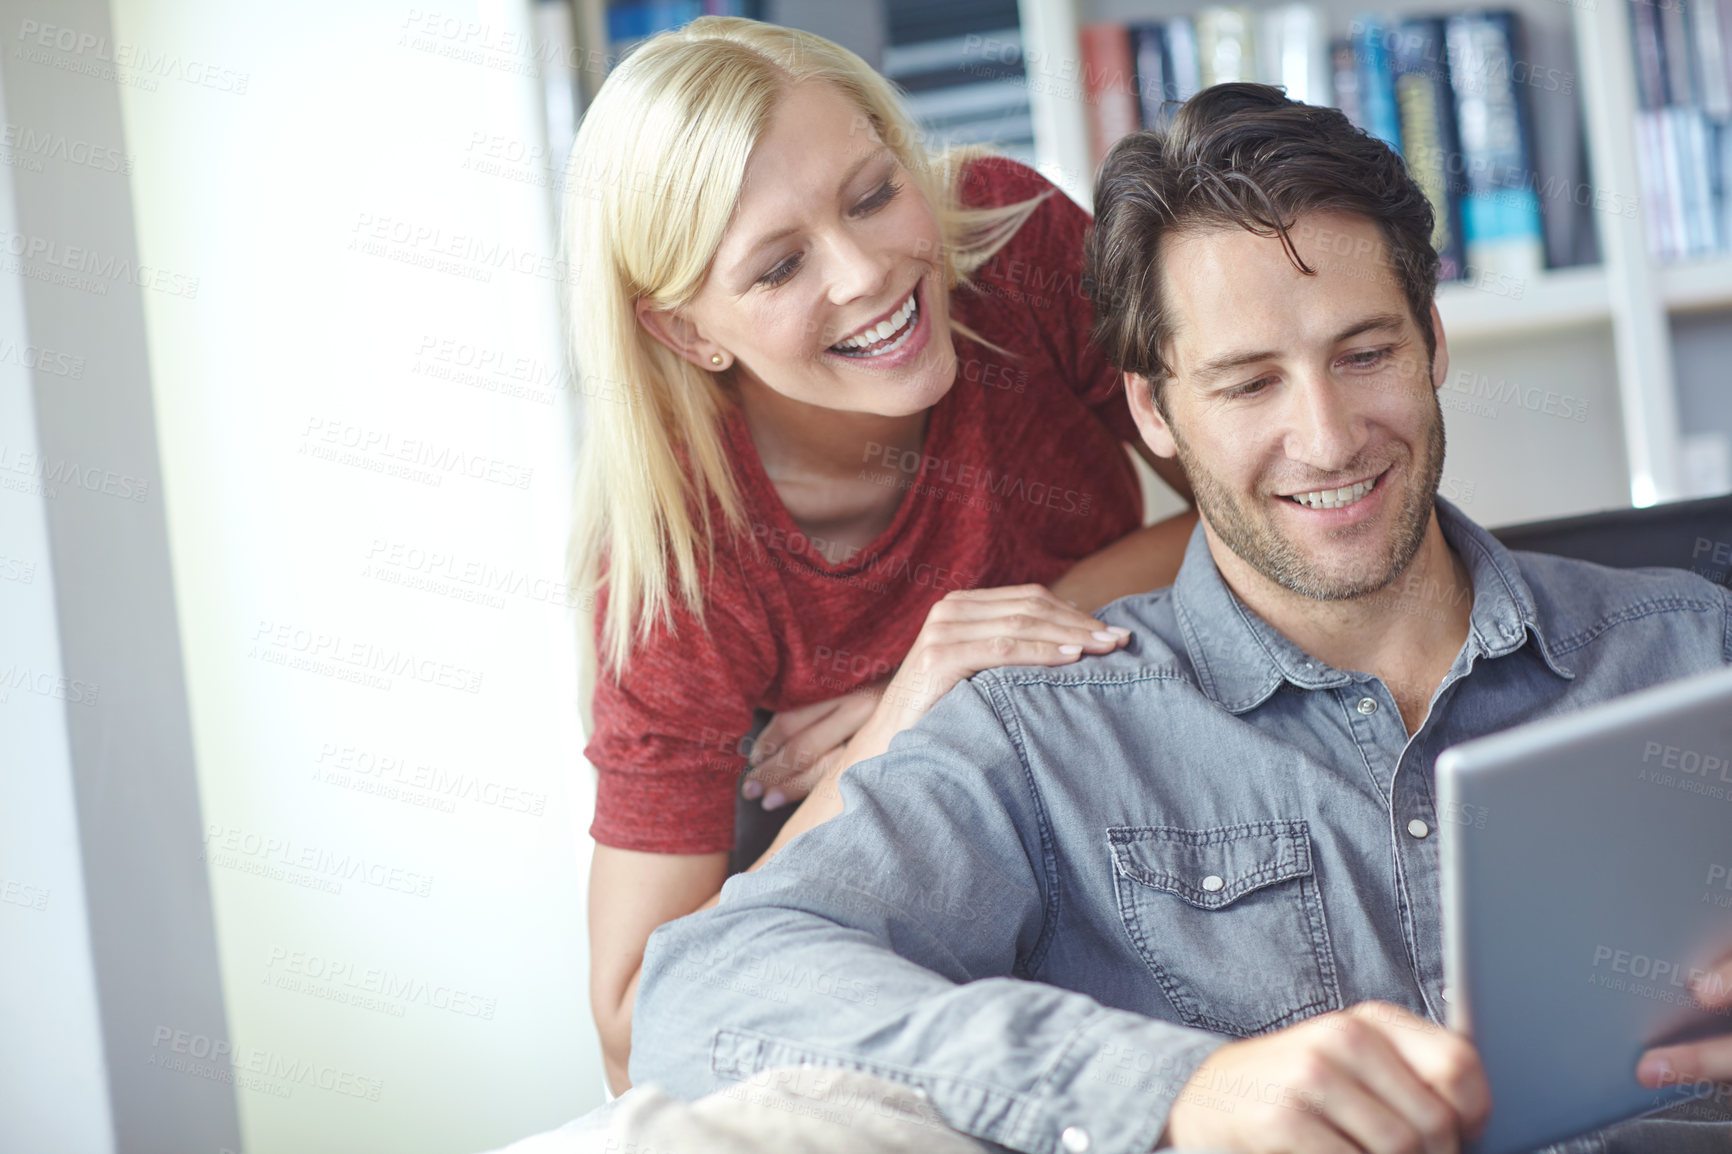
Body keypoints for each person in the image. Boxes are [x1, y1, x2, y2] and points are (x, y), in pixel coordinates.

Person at [629, 84, 1732, 1152]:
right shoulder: (1041, 743)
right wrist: (1174, 1087)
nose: (1329, 436)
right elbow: (703, 987)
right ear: (1151, 408)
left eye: (1365, 353)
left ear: (1431, 342)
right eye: (1248, 383)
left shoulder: (1693, 647)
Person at [563, 17, 1197, 1092]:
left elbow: (1267, 506)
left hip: (1151, 787)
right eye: (777, 266)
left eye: (872, 192)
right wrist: (896, 722)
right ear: (684, 332)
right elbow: (633, 1020)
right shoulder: (679, 565)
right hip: (925, 934)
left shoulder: (1011, 239)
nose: (868, 273)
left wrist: (972, 658)